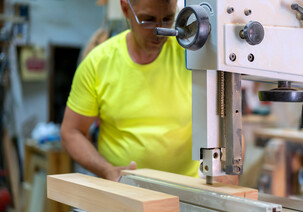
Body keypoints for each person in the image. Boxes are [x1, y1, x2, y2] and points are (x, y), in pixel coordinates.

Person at [60, 0, 200, 182]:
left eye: (167, 19)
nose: (159, 31)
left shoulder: (193, 59)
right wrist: (107, 170)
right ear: (126, 9)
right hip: (123, 191)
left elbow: (225, 120)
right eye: (148, 20)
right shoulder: (98, 63)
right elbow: (71, 132)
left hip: (186, 192)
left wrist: (226, 172)